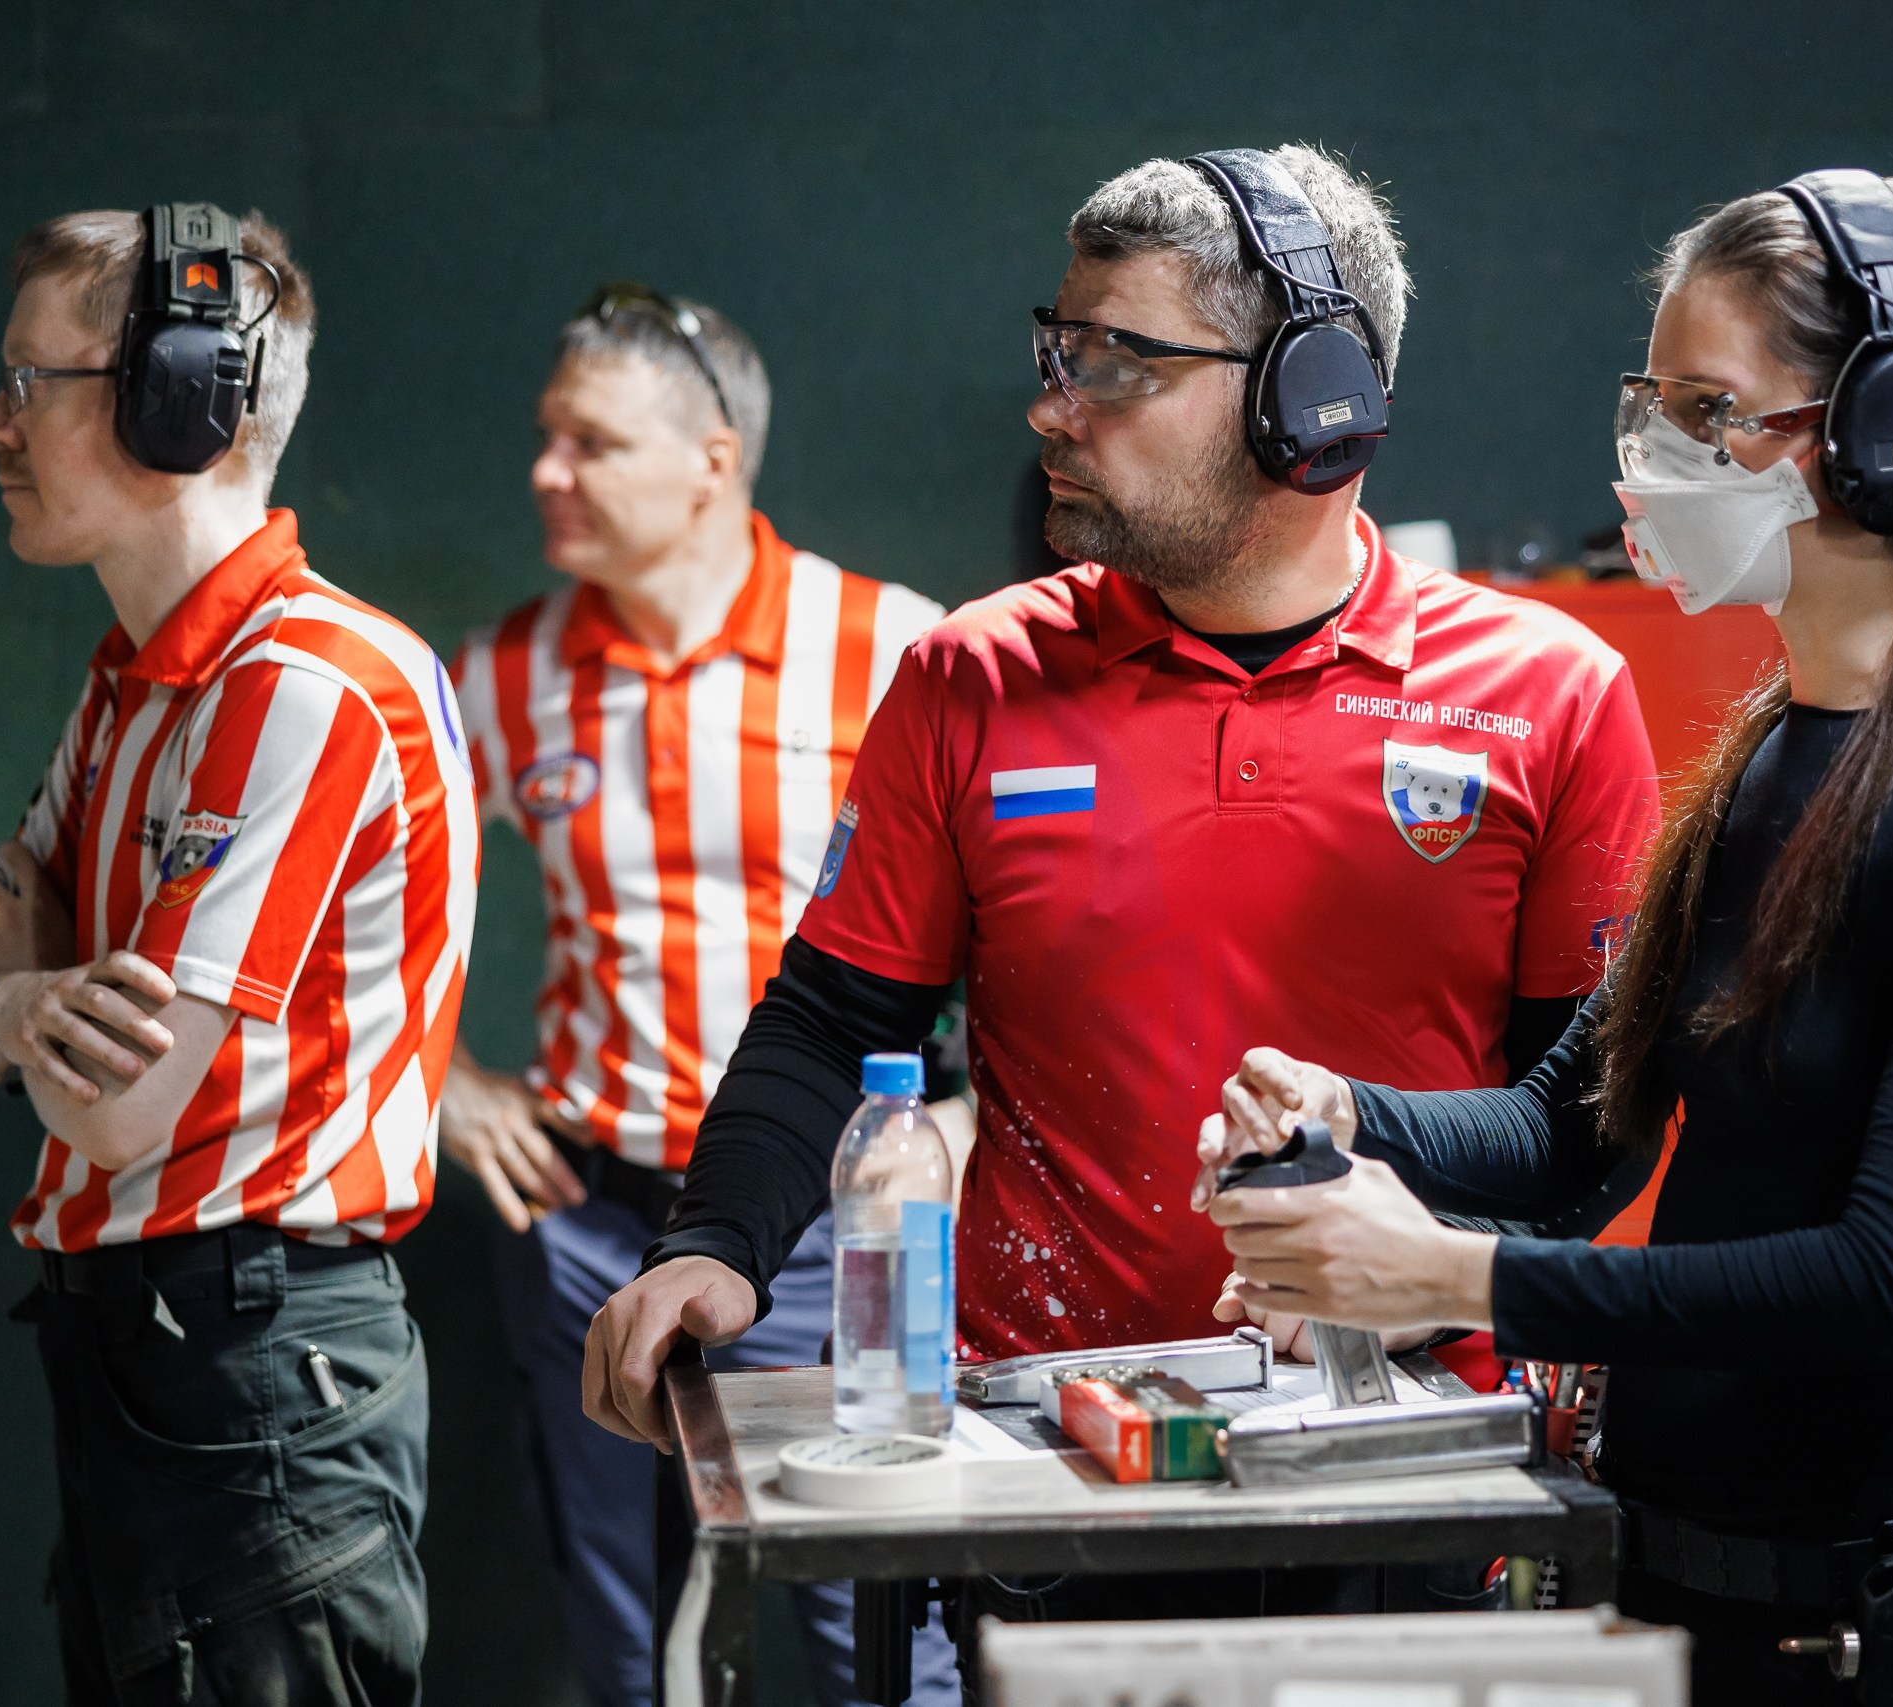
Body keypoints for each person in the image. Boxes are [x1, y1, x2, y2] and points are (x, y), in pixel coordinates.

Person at [585, 146, 1662, 1625]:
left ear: (1311, 399)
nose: (1052, 403)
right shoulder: (968, 677)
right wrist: (717, 1245)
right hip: (1050, 1470)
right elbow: (832, 1019)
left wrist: (1421, 1275)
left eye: (1118, 362)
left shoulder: (1553, 695)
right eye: (1057, 349)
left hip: (1408, 1464)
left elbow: (1583, 1124)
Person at [1195, 172, 1893, 1704]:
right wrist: (1346, 1118)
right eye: (1654, 402)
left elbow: (1889, 1281)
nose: (1660, 456)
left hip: (1869, 1622)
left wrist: (1450, 1277)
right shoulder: (1776, 753)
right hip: (1683, 1584)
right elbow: (1571, 1129)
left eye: (1714, 410)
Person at [0, 205, 477, 1702]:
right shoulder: (128, 691)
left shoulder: (313, 690)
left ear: (184, 402)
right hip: (143, 1362)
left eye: (31, 384)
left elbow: (111, 1110)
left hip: (259, 1370)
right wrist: (31, 996)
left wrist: (10, 1005)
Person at [442, 287, 957, 1706]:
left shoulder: (899, 650)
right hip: (588, 1223)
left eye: (591, 444)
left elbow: (1013, 929)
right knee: (638, 1651)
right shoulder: (501, 674)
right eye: (546, 439)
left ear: (713, 460)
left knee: (880, 1637)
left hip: (832, 1228)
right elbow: (354, 894)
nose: (547, 473)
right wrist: (446, 1084)